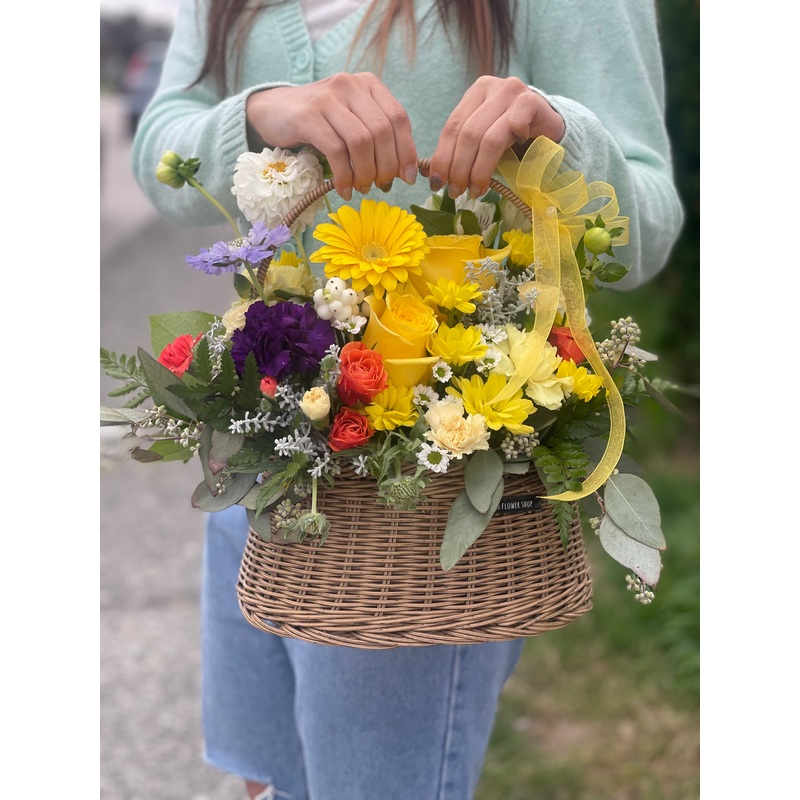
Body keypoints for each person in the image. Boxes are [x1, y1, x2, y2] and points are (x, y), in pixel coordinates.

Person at [131, 1, 683, 798]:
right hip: (260, 451)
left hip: (421, 502)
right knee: (266, 784)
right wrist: (263, 112)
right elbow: (162, 144)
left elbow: (648, 228)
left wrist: (558, 136)